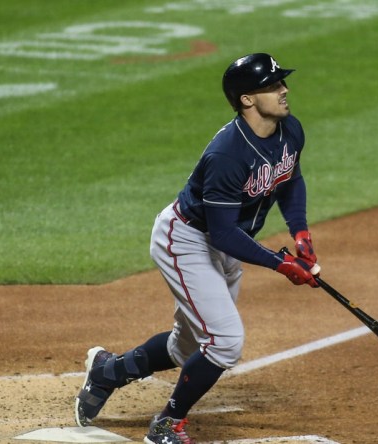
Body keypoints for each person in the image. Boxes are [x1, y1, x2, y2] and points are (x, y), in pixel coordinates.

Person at [74, 53, 320, 444]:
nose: (284, 90)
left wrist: (300, 231)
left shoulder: (289, 130)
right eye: (273, 86)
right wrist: (280, 264)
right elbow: (221, 233)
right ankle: (167, 425)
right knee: (224, 341)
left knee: (187, 344)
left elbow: (290, 179)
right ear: (247, 100)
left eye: (281, 83)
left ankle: (110, 371)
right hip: (187, 240)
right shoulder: (228, 154)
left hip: (227, 243)